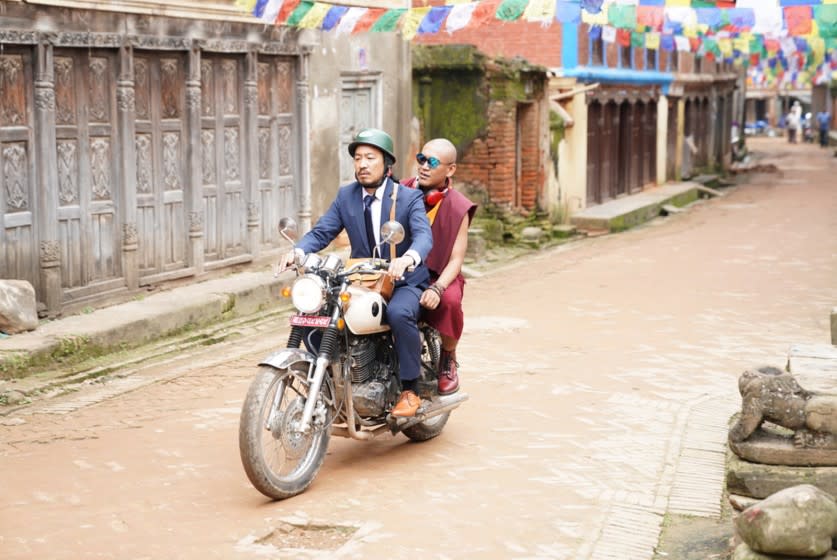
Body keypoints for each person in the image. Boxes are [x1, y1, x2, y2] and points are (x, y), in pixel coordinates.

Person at [277, 128, 433, 417]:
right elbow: (322, 232)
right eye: (358, 158)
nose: (362, 164)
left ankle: (411, 389)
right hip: (363, 279)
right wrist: (297, 252)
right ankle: (330, 379)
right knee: (318, 313)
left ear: (387, 164)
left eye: (370, 158)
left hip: (403, 280)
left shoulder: (408, 198)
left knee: (399, 314)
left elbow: (424, 236)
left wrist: (408, 258)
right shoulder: (346, 196)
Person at [401, 139, 477, 396]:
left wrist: (438, 288)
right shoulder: (401, 190)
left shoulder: (458, 207)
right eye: (421, 158)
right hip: (404, 270)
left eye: (432, 162)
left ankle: (448, 358)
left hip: (439, 274)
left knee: (451, 302)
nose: (423, 166)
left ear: (450, 169)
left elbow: (456, 259)